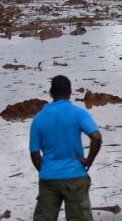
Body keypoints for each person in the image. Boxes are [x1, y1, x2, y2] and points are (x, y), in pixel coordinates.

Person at [30, 75, 103, 221]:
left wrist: (45, 170)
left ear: (51, 93)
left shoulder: (39, 118)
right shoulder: (78, 113)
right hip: (74, 176)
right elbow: (96, 137)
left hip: (49, 178)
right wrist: (88, 161)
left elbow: (34, 153)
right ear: (70, 92)